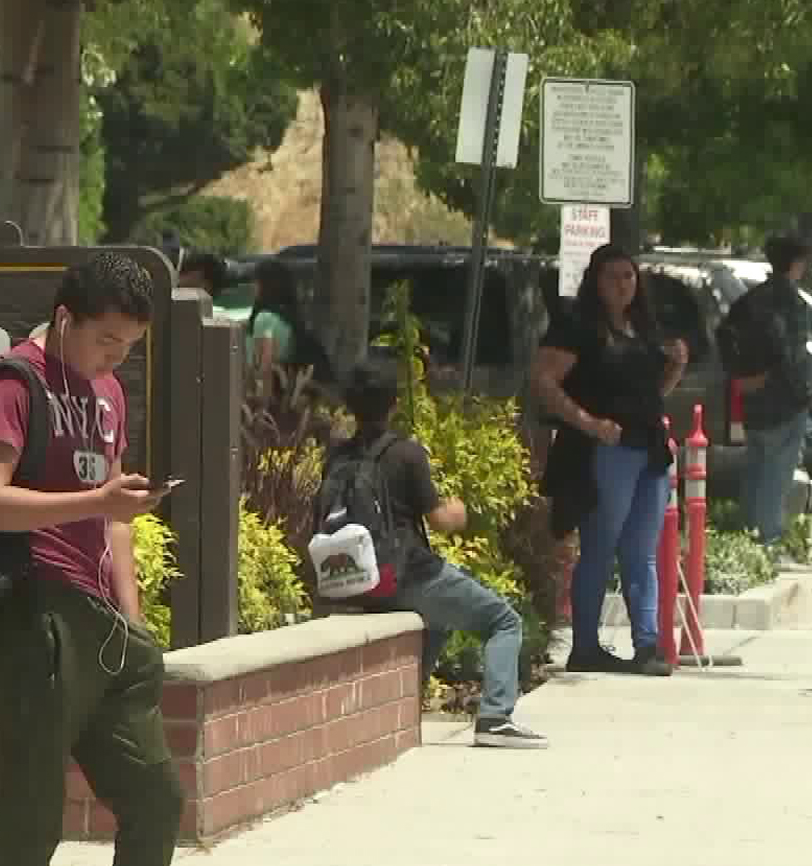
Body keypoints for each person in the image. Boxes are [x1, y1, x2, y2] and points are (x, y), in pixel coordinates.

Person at [0, 252, 223, 866]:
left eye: (128, 347)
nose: (115, 358)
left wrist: (132, 616)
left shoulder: (107, 393)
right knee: (34, 812)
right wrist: (97, 498)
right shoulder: (18, 380)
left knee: (155, 799)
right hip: (34, 615)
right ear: (67, 319)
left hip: (100, 624)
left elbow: (114, 518)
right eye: (106, 340)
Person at [336, 360, 548, 748]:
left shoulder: (337, 457)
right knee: (504, 621)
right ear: (395, 403)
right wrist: (460, 510)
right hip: (406, 576)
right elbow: (439, 520)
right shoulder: (406, 454)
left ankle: (405, 704)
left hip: (352, 579)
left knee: (439, 620)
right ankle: (496, 717)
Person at [534, 243, 690, 676]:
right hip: (605, 450)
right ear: (595, 281)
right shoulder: (577, 326)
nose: (621, 285)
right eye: (611, 276)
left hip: (649, 448)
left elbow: (648, 394)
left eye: (628, 276)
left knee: (643, 552)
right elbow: (544, 381)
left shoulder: (642, 328)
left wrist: (674, 369)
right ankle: (585, 645)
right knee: (600, 548)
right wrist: (587, 423)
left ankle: (647, 645)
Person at [725, 235, 812, 550]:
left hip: (752, 399)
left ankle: (746, 540)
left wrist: (740, 375)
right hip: (784, 401)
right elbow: (791, 355)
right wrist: (800, 392)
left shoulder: (750, 300)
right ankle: (767, 541)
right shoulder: (792, 303)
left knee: (755, 471)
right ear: (797, 263)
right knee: (776, 476)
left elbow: (725, 336)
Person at [245, 260, 303, 397]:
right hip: (284, 394)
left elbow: (264, 365)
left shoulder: (264, 319)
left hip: (261, 398)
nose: (253, 287)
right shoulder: (289, 319)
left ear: (267, 286)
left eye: (256, 282)